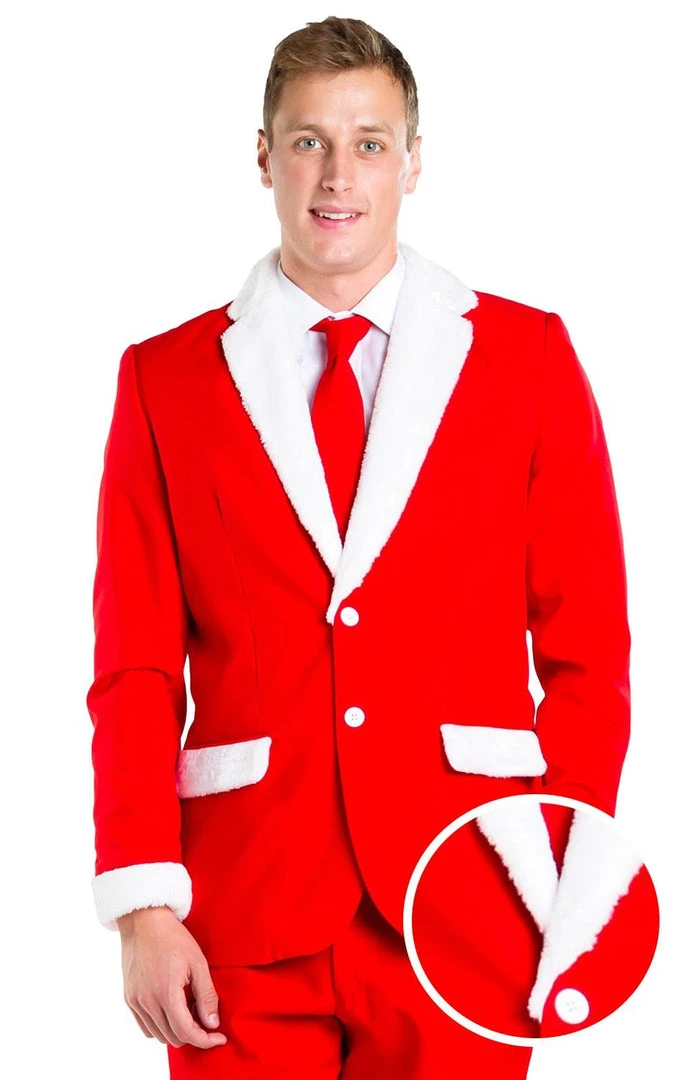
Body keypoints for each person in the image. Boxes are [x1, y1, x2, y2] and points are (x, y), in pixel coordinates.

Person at [87, 15, 632, 1078]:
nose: (338, 176)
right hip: (240, 916)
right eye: (309, 141)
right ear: (264, 156)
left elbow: (588, 650)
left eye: (369, 143)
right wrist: (143, 902)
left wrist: (559, 881)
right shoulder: (165, 380)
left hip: (466, 901)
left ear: (413, 160)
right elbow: (135, 666)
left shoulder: (526, 358)